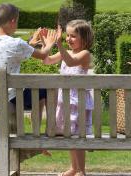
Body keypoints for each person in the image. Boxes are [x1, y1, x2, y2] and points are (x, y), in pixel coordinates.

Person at [0, 3, 58, 161]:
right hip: (14, 96)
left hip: (1, 95)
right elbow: (43, 55)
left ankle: (36, 136)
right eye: (17, 21)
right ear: (12, 21)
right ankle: (48, 132)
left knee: (39, 93)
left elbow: (12, 52)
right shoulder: (16, 43)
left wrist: (30, 42)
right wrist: (51, 42)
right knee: (47, 89)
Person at [43, 20, 95, 176]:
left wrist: (58, 44)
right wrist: (47, 44)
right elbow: (46, 61)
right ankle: (74, 168)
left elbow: (71, 62)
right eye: (67, 35)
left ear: (84, 39)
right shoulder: (66, 52)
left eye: (73, 36)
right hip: (65, 102)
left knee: (76, 137)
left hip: (77, 103)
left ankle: (81, 171)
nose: (68, 39)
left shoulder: (84, 54)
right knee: (70, 135)